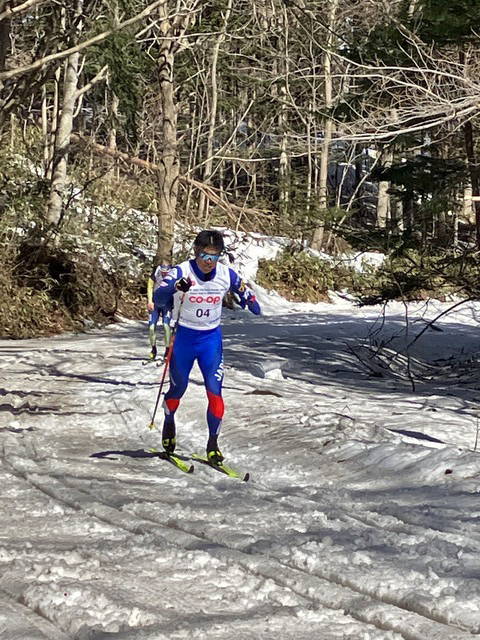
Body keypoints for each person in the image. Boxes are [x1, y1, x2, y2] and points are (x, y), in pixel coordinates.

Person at [154, 230, 261, 462]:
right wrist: (173, 288)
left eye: (214, 257)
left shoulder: (225, 274)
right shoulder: (181, 271)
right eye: (203, 255)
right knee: (177, 390)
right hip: (184, 339)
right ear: (195, 252)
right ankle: (169, 421)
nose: (207, 262)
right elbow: (158, 298)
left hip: (210, 341)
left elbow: (248, 297)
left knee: (215, 392)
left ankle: (213, 445)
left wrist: (249, 300)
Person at [146, 260, 173, 361]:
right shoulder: (156, 273)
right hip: (155, 303)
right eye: (163, 272)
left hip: (167, 304)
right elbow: (149, 286)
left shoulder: (173, 274)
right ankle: (153, 350)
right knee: (151, 327)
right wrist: (149, 301)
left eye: (166, 272)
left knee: (166, 326)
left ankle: (167, 350)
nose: (164, 274)